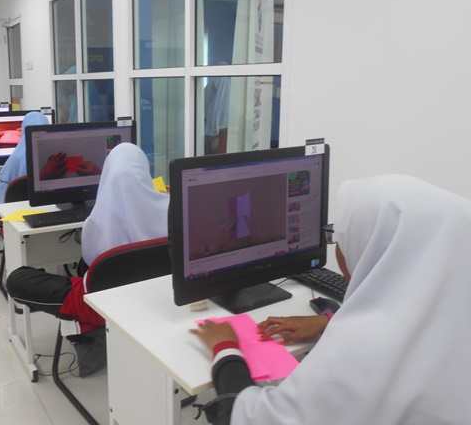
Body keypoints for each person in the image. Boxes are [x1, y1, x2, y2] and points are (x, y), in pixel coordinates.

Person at [191, 174, 471, 425]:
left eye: (338, 236)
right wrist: (329, 322)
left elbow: (249, 417)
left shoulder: (362, 351)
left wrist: (225, 349)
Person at [6, 142, 170, 332]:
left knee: (18, 278)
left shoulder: (95, 222)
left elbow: (90, 260)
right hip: (156, 302)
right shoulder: (171, 210)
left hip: (100, 307)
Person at [0, 111, 50, 204]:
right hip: (49, 208)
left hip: (16, 211)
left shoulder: (15, 159)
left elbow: (2, 192)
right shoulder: (55, 158)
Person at [204, 71, 230, 156]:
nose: (212, 84)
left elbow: (223, 125)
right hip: (210, 138)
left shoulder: (226, 106)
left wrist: (217, 137)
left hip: (220, 141)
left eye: (215, 80)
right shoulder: (214, 101)